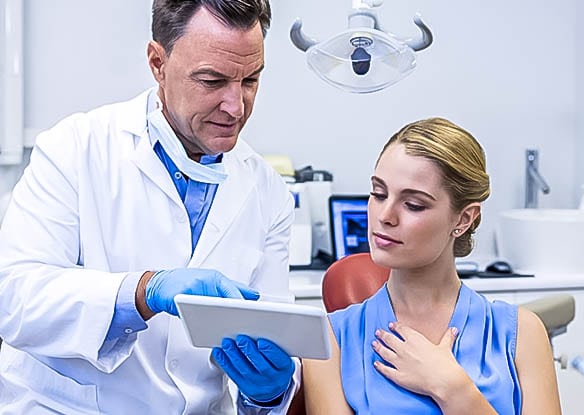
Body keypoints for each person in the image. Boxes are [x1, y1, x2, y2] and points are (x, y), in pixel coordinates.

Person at [0, 1, 300, 413]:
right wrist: (141, 292)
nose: (236, 107)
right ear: (158, 63)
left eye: (250, 80)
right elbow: (15, 299)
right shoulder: (75, 148)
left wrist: (268, 391)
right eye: (212, 80)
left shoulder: (269, 192)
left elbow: (278, 335)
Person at [302, 118, 561, 414]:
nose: (385, 215)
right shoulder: (329, 341)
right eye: (378, 194)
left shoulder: (522, 334)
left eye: (413, 205)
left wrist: (453, 389)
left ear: (463, 219)